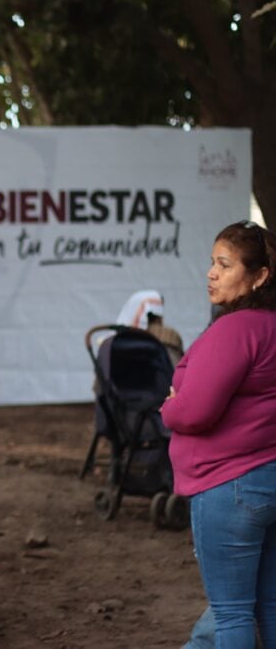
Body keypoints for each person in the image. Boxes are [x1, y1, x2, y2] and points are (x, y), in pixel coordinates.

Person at [161, 220, 276, 646]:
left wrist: (170, 404)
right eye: (212, 263)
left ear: (260, 275)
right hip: (268, 476)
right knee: (269, 606)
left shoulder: (236, 329)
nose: (211, 272)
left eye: (225, 265)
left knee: (231, 616)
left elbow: (194, 412)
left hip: (230, 487)